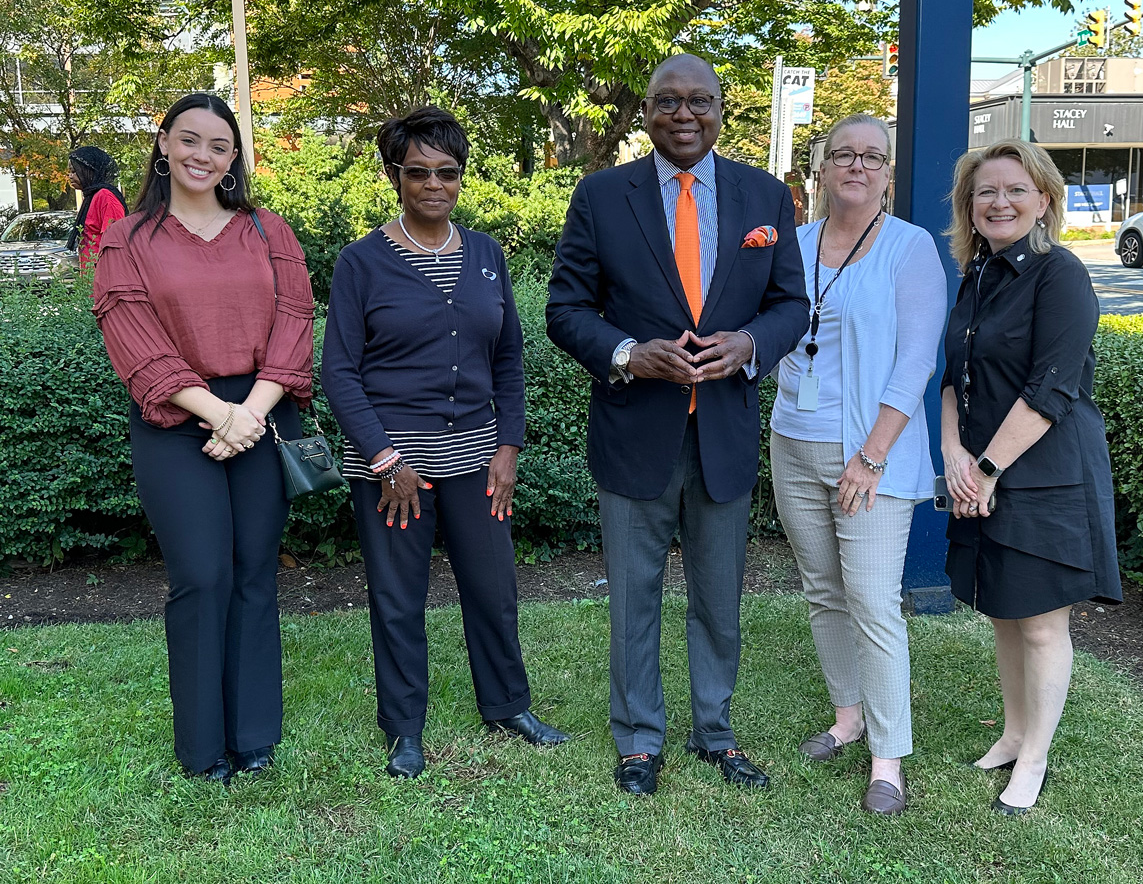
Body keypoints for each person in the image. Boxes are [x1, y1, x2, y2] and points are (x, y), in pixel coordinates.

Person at [546, 54, 808, 795]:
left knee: (718, 598)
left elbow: (792, 303)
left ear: (723, 108)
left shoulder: (764, 194)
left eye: (700, 101)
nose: (684, 115)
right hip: (636, 432)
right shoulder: (602, 195)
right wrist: (629, 353)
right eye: (667, 101)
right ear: (647, 112)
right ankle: (637, 740)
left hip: (722, 432)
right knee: (634, 598)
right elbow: (565, 310)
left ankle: (715, 734)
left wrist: (751, 343)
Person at [322, 107, 570, 781]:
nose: (435, 184)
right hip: (391, 466)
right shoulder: (361, 263)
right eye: (419, 172)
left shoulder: (486, 254)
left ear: (462, 177)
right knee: (398, 597)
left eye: (448, 172)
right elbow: (339, 373)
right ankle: (404, 729)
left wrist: (509, 445)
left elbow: (510, 359)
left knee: (493, 589)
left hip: (478, 461)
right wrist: (384, 459)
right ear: (394, 176)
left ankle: (507, 706)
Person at [92, 93, 315, 783]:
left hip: (265, 407)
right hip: (173, 419)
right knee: (200, 576)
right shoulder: (127, 238)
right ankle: (201, 748)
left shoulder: (268, 230)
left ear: (234, 159)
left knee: (253, 574)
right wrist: (218, 415)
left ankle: (253, 738)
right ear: (162, 144)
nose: (202, 156)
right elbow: (132, 337)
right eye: (188, 140)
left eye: (219, 146)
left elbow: (295, 319)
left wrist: (250, 410)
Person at [769, 114, 947, 815]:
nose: (857, 165)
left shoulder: (909, 248)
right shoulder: (798, 243)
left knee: (872, 599)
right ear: (821, 167)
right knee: (822, 588)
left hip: (871, 454)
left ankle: (888, 758)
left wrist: (872, 455)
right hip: (793, 441)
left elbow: (916, 360)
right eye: (843, 153)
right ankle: (848, 718)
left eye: (872, 156)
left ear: (888, 172)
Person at [941, 139, 1121, 815]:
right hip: (985, 472)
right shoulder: (975, 275)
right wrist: (957, 456)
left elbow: (1052, 389)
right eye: (986, 192)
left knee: (1043, 624)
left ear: (1044, 199)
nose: (1000, 202)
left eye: (1016, 190)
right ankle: (1014, 734)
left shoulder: (1060, 274)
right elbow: (953, 380)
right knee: (1004, 612)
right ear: (970, 206)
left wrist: (984, 467)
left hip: (1046, 473)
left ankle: (1036, 757)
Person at [66, 146, 127, 269]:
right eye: (69, 172)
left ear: (89, 171)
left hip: (105, 276)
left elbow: (115, 242)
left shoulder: (106, 197)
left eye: (74, 171)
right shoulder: (91, 196)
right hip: (89, 277)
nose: (70, 176)